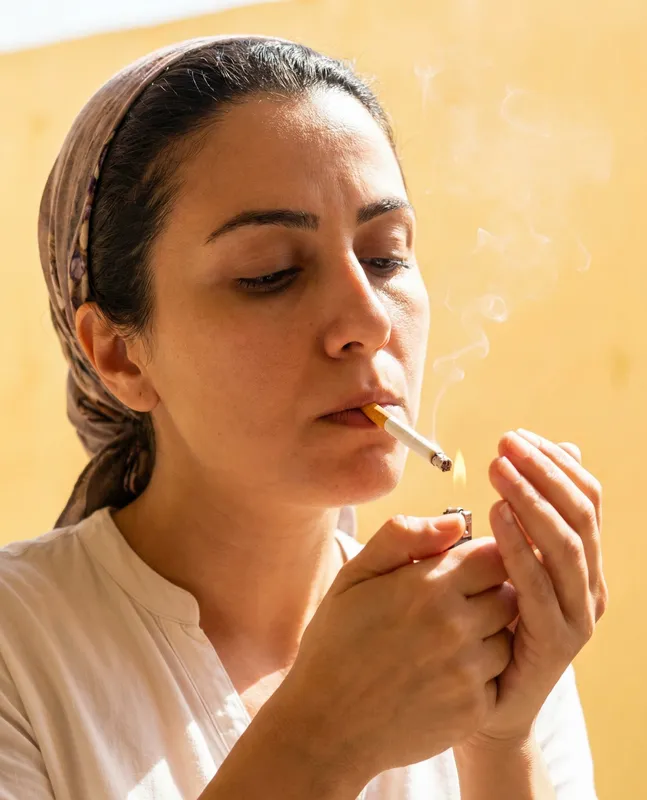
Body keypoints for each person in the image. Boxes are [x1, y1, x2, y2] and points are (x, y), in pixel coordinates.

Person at [0, 35, 608, 799]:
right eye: (271, 274)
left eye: (386, 256)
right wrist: (321, 739)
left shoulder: (476, 644)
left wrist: (497, 738)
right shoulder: (19, 656)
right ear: (120, 356)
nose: (366, 318)